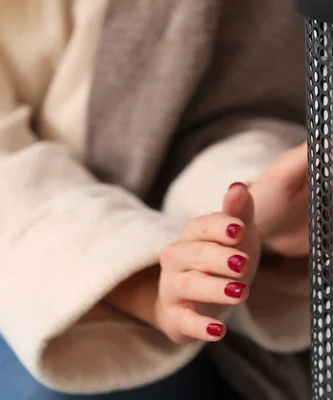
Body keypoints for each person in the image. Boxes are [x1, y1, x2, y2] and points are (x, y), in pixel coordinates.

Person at [0, 0, 312, 399]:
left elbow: (242, 103)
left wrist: (251, 202)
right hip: (45, 274)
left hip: (236, 311)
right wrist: (144, 284)